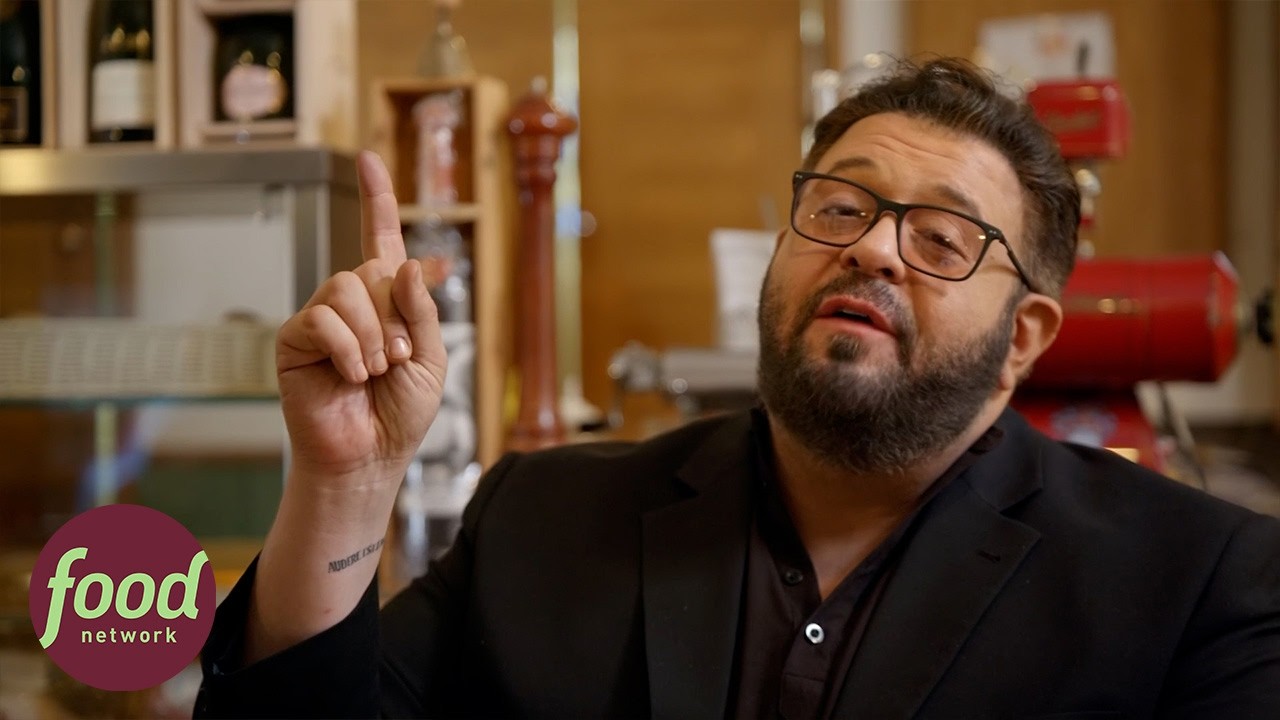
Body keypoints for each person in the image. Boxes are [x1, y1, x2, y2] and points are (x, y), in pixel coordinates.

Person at [196, 58, 1280, 719]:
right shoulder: (541, 521)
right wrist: (345, 484)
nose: (872, 249)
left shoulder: (1198, 588)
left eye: (942, 238)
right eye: (840, 207)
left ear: (1022, 339)